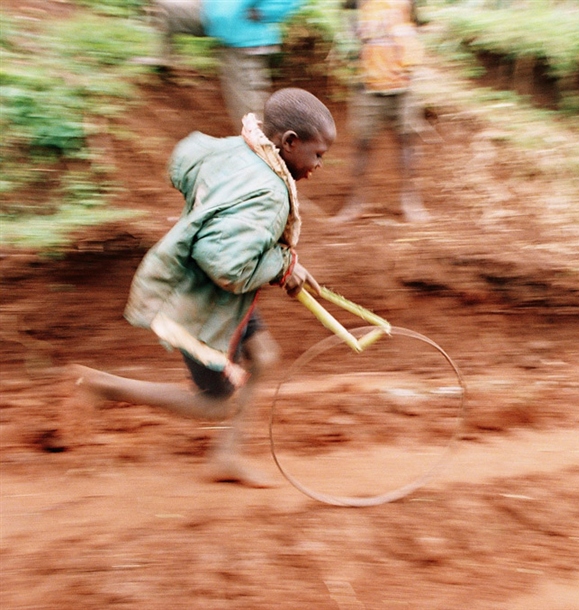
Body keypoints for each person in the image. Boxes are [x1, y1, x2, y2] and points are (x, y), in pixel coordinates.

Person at [64, 88, 336, 488]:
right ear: (289, 142)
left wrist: (279, 259)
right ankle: (99, 386)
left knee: (262, 356)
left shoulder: (240, 149)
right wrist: (281, 267)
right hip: (198, 298)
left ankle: (226, 457)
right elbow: (227, 266)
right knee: (213, 404)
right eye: (318, 155)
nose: (319, 165)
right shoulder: (271, 193)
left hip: (207, 284)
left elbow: (188, 156)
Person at [330, 0, 430, 223]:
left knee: (407, 141)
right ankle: (356, 201)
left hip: (403, 80)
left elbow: (418, 24)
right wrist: (351, 42)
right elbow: (346, 18)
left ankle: (410, 199)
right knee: (362, 143)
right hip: (367, 81)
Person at [145, 0, 306, 130]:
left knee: (250, 116)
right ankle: (164, 62)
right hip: (210, 12)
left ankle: (264, 158)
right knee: (165, 8)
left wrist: (266, 12)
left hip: (245, 39)